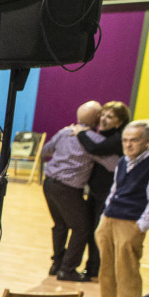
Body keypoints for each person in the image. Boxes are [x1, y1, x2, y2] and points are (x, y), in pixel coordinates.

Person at [82, 122, 149, 297]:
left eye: (134, 140)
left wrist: (139, 227)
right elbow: (115, 189)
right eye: (125, 140)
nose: (128, 145)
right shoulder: (123, 161)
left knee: (127, 271)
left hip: (131, 222)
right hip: (109, 219)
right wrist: (105, 214)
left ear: (148, 141)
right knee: (106, 268)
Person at [41, 101, 103, 281]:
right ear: (97, 119)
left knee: (60, 225)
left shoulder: (64, 132)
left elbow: (45, 151)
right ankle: (67, 269)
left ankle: (57, 264)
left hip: (49, 184)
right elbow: (112, 164)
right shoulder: (95, 140)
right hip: (68, 188)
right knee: (82, 228)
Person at [79, 100, 130, 278]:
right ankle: (93, 267)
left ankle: (96, 269)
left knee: (100, 233)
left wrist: (80, 132)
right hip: (96, 191)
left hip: (108, 194)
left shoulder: (119, 138)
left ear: (120, 122)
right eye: (103, 115)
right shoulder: (107, 135)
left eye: (110, 116)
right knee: (93, 230)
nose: (104, 119)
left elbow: (95, 148)